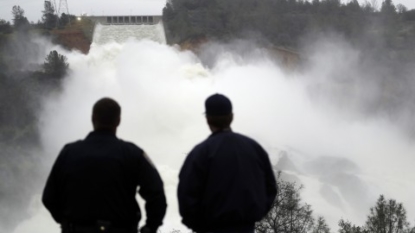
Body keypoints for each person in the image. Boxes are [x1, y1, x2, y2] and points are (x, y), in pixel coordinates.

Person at [42, 97, 167, 233]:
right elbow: (156, 194)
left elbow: (49, 197)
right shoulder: (133, 154)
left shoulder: (68, 152)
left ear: (92, 118)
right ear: (119, 121)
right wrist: (150, 227)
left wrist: (66, 222)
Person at [178, 93, 277, 233]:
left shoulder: (200, 153)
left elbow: (186, 193)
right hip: (246, 228)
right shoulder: (254, 148)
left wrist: (197, 225)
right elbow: (270, 186)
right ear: (231, 117)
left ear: (208, 119)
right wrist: (256, 214)